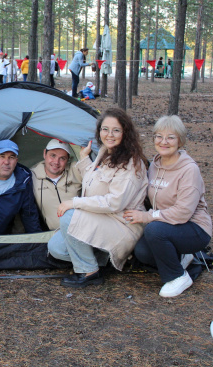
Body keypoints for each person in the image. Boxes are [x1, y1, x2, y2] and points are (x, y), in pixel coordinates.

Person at [47, 108, 148, 288]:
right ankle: (105, 258)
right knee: (56, 247)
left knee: (70, 218)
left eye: (116, 130)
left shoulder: (131, 163)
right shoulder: (105, 153)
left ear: (125, 133)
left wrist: (75, 203)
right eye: (105, 129)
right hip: (102, 220)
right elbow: (96, 185)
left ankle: (89, 272)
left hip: (121, 224)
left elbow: (114, 202)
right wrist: (85, 159)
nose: (109, 134)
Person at [125, 115, 212, 298]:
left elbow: (183, 213)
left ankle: (177, 277)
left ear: (180, 141)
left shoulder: (189, 170)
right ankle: (182, 257)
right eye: (159, 136)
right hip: (167, 225)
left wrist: (148, 217)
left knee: (154, 231)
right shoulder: (155, 165)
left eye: (170, 137)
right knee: (142, 252)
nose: (163, 142)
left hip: (194, 228)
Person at [31, 139, 82, 231]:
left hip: (80, 230)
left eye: (62, 158)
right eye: (53, 155)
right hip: (53, 233)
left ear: (68, 159)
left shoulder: (76, 171)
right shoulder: (31, 176)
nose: (56, 162)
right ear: (44, 154)